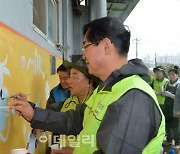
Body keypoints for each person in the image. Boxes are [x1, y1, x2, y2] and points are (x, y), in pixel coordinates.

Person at [10, 17, 165, 154]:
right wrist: (33, 114)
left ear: (105, 46)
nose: (83, 54)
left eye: (86, 46)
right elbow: (76, 120)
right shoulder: (105, 90)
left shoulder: (133, 96)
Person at [52, 58, 99, 154]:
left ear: (89, 82)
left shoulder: (98, 107)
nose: (68, 81)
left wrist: (71, 151)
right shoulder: (67, 103)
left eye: (74, 77)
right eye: (69, 77)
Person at [162, 66, 180, 148]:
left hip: (175, 108)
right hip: (167, 107)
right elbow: (164, 95)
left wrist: (171, 95)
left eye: (173, 74)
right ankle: (169, 140)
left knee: (176, 126)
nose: (171, 76)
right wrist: (163, 92)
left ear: (177, 75)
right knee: (167, 124)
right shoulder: (167, 83)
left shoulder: (179, 84)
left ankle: (177, 143)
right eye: (169, 74)